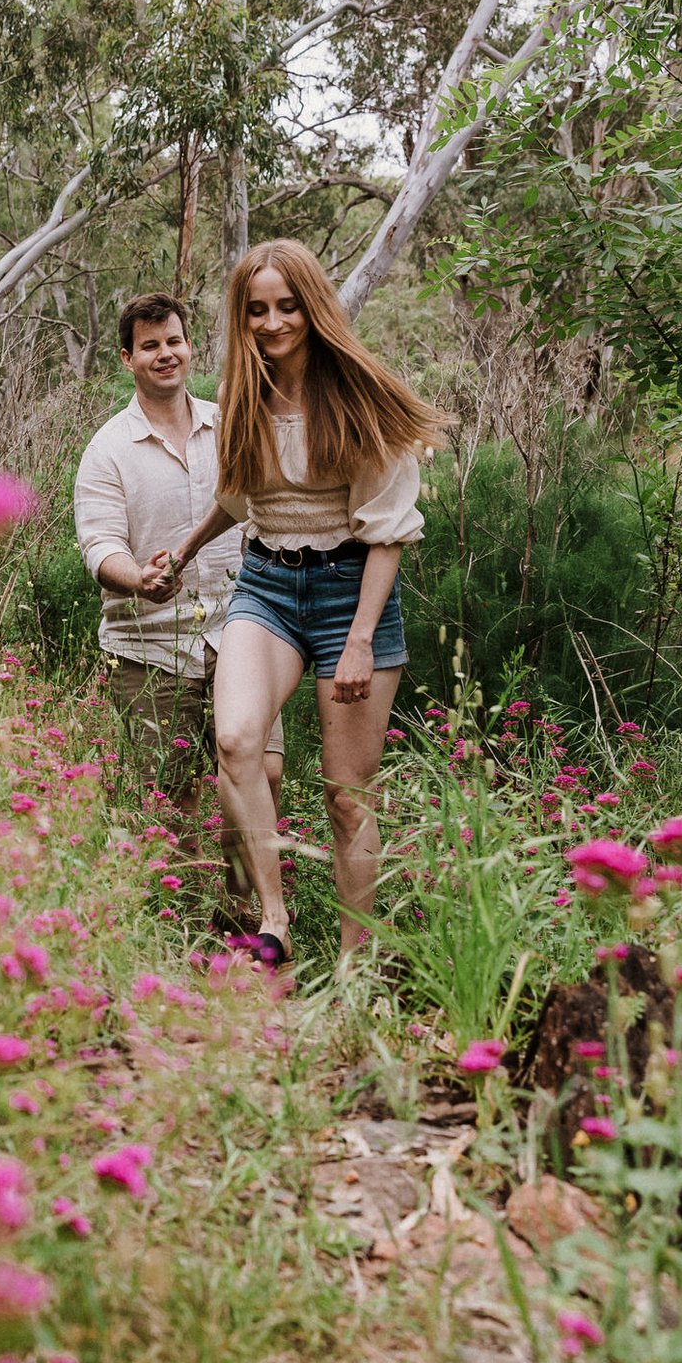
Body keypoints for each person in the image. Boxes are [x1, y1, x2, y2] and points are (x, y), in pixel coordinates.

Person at [158, 241, 442, 964]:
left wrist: (357, 640)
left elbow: (389, 536)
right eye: (257, 310)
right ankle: (274, 919)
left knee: (346, 797)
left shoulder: (359, 396)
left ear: (313, 307)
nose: (273, 322)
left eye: (287, 306)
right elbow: (240, 496)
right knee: (237, 740)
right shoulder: (243, 398)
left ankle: (356, 961)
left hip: (354, 591)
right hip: (269, 586)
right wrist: (187, 550)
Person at [74, 292, 282, 930]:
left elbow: (267, 506)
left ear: (189, 346)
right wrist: (137, 577)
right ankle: (184, 931)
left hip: (243, 631)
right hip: (150, 645)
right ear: (127, 358)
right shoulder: (108, 449)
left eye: (174, 342)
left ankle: (247, 924)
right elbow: (100, 543)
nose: (165, 355)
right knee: (174, 795)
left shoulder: (233, 425)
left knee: (262, 778)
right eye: (150, 346)